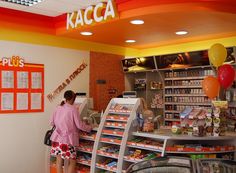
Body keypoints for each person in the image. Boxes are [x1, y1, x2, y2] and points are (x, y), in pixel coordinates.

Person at [49, 90, 92, 173]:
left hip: (57, 138)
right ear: (73, 98)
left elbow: (51, 122)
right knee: (72, 161)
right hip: (68, 139)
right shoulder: (73, 109)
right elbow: (79, 125)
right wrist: (89, 127)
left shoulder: (58, 107)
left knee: (59, 162)